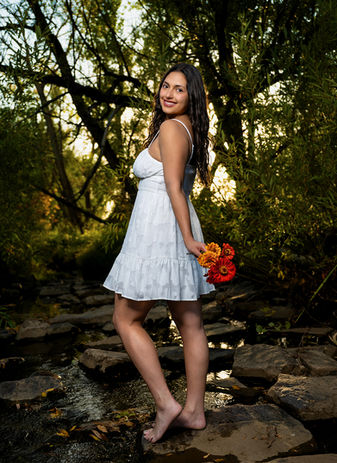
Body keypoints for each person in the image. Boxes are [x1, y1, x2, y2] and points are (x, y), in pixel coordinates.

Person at [103, 62, 215, 443]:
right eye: (165, 86)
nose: (168, 93)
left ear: (192, 96)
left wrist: (185, 237)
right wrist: (186, 235)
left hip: (158, 232)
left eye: (179, 89)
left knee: (125, 318)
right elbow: (181, 188)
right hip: (172, 227)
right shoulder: (187, 129)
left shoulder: (170, 128)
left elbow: (171, 186)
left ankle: (167, 403)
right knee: (190, 322)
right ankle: (195, 412)